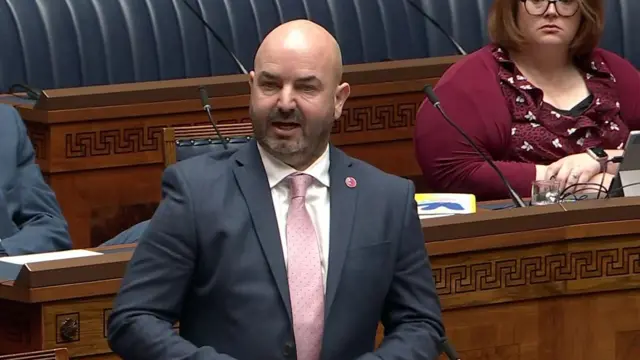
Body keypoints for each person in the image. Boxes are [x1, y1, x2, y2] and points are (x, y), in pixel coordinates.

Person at [107, 19, 445, 360]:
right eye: (270, 85)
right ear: (251, 88)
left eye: (306, 87)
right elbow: (133, 319)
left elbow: (420, 324)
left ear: (339, 99)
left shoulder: (387, 199)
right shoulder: (196, 191)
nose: (285, 102)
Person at [414, 0, 640, 201]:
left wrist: (598, 160)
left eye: (566, 1)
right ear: (512, 8)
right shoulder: (469, 81)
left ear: (585, 10)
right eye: (537, 1)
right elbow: (453, 172)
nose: (552, 11)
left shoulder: (612, 71)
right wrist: (571, 184)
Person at [0, 104, 72, 256]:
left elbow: (52, 228)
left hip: (11, 268)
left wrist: (7, 252)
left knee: (136, 237)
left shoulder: (5, 122)